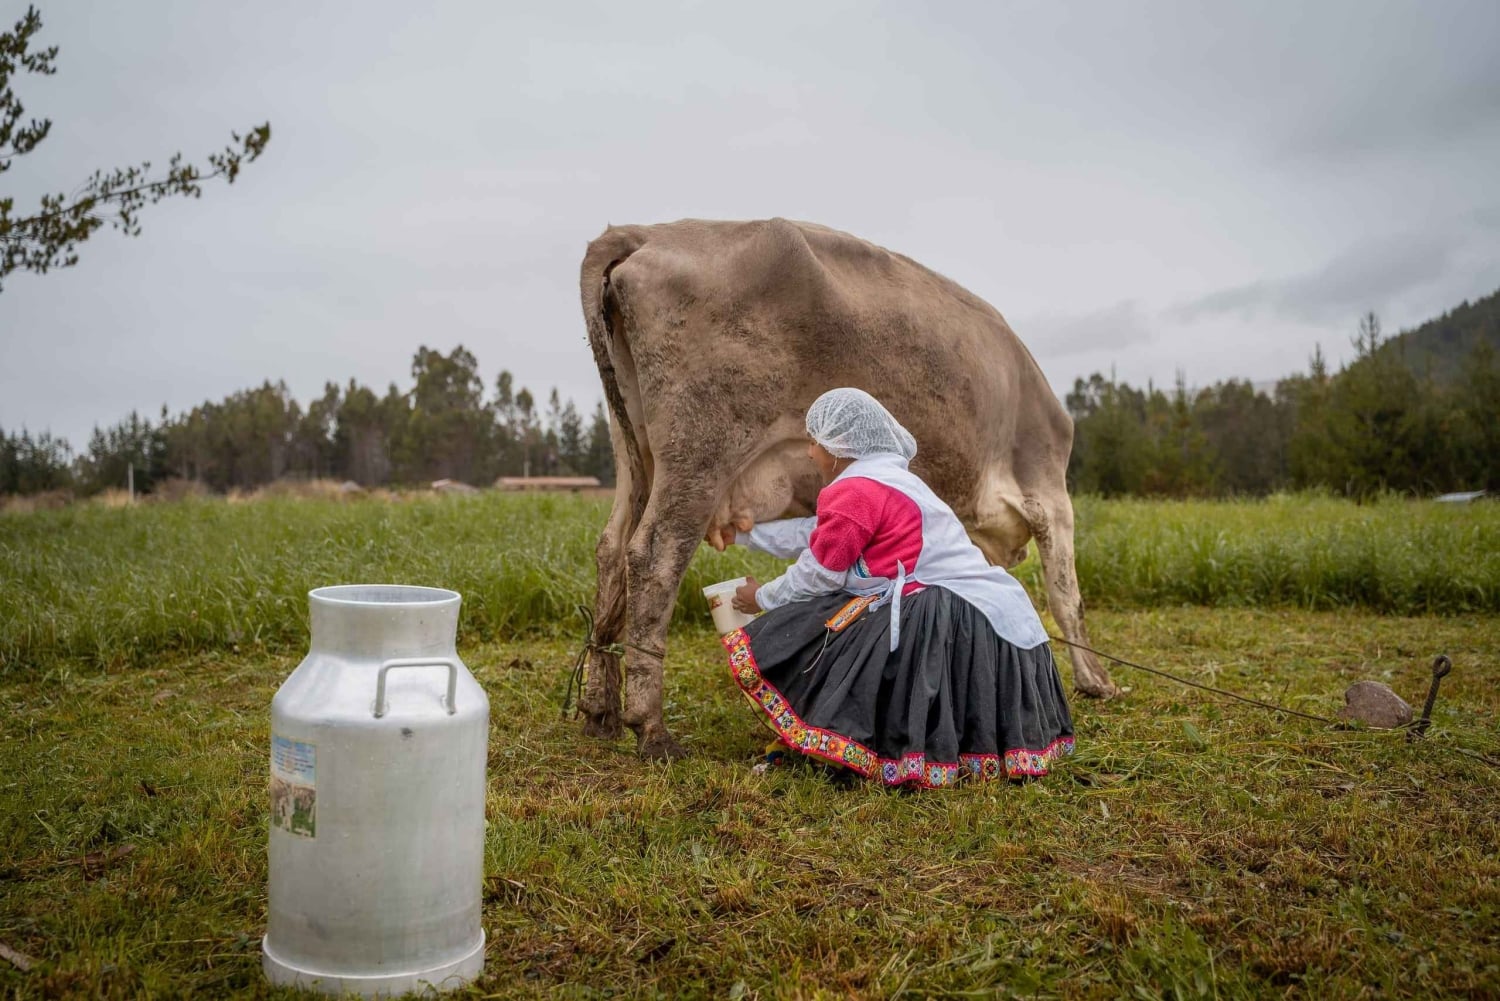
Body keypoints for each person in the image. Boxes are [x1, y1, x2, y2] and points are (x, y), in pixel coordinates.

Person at [718, 387, 1074, 789]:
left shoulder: (855, 490)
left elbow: (820, 574)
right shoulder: (890, 479)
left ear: (839, 445)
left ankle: (864, 739)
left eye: (815, 441)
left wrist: (761, 596)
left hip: (950, 612)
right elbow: (817, 531)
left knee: (822, 617)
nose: (810, 452)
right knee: (854, 613)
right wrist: (742, 536)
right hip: (997, 610)